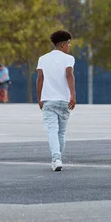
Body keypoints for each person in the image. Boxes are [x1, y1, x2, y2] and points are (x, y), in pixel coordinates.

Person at [36, 30, 76, 172]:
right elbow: (69, 75)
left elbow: (40, 79)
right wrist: (73, 95)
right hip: (64, 100)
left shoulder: (42, 58)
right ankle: (58, 158)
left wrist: (39, 98)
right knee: (61, 132)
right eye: (69, 44)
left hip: (48, 100)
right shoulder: (68, 59)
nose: (69, 46)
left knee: (52, 131)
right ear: (63, 45)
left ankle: (56, 158)